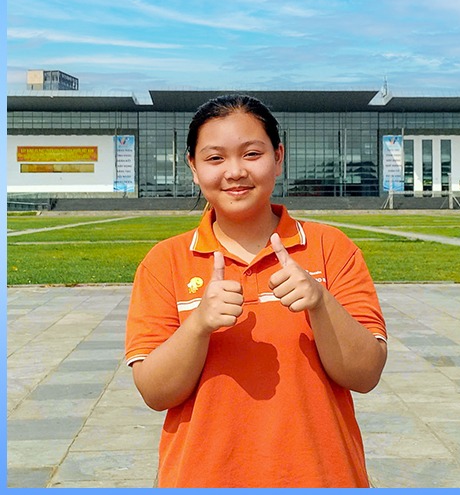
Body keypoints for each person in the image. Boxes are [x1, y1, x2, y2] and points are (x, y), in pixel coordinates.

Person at [125, 94, 387, 488]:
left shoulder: (331, 248)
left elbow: (365, 374)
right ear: (193, 167)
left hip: (322, 477)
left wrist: (320, 302)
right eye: (215, 158)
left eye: (252, 154)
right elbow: (155, 392)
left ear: (278, 158)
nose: (235, 172)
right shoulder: (165, 262)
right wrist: (198, 325)